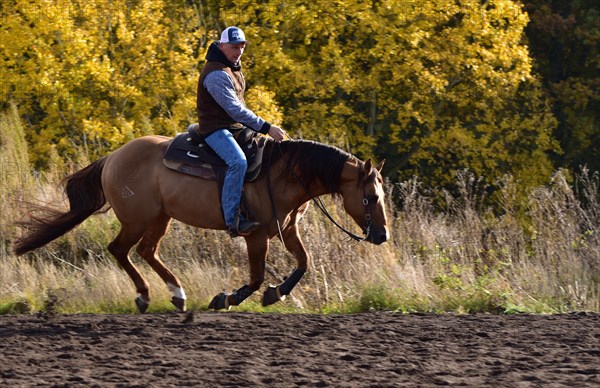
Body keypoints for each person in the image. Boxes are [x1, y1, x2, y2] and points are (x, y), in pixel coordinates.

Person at [195, 26, 285, 237]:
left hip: (234, 127)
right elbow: (235, 110)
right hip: (215, 129)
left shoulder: (232, 65)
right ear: (222, 45)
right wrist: (266, 127)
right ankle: (232, 219)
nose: (238, 51)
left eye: (242, 47)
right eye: (234, 47)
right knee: (238, 162)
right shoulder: (216, 73)